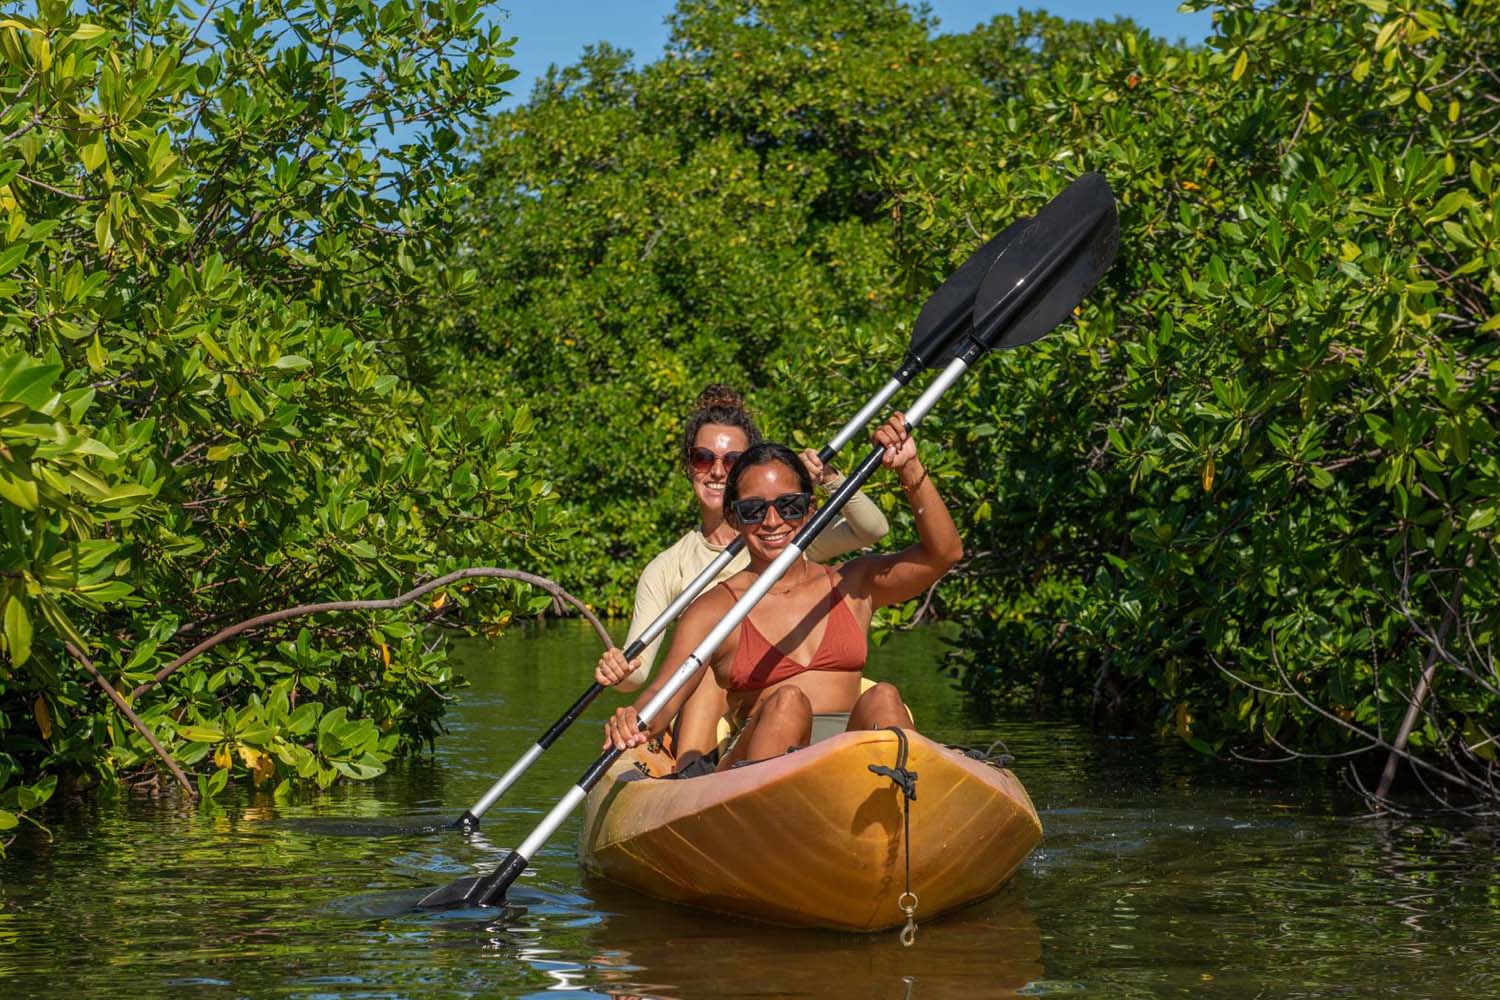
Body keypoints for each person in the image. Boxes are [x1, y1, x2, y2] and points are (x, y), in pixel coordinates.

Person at [598, 413, 961, 771]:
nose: (773, 522)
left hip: (847, 763)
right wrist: (632, 721)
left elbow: (943, 554)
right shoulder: (712, 610)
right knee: (787, 703)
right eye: (754, 510)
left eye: (789, 506)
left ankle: (906, 806)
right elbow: (663, 699)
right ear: (735, 517)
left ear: (810, 509)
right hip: (757, 763)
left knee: (884, 697)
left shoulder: (853, 584)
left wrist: (910, 469)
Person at [600, 384, 888, 708]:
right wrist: (620, 669)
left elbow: (872, 529)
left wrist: (828, 478)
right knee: (708, 654)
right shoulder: (666, 568)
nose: (718, 471)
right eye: (702, 458)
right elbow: (636, 676)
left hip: (782, 705)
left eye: (733, 460)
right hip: (708, 716)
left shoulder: (784, 538)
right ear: (688, 465)